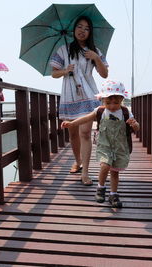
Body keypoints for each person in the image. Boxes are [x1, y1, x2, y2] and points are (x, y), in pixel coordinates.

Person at [61, 80, 140, 208]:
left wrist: (134, 124)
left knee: (115, 172)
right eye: (108, 103)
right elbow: (86, 118)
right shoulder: (100, 111)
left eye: (116, 103)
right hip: (104, 145)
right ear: (102, 100)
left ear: (121, 100)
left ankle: (113, 194)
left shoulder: (125, 112)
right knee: (105, 165)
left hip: (119, 147)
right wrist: (72, 123)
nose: (112, 106)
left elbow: (137, 128)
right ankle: (100, 188)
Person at [50, 16, 109, 186]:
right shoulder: (63, 50)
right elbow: (53, 73)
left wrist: (95, 58)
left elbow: (105, 74)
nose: (82, 30)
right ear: (74, 29)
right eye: (79, 27)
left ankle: (85, 172)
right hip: (70, 97)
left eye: (86, 28)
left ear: (90, 32)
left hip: (89, 96)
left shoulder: (95, 51)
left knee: (85, 133)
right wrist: (65, 70)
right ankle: (78, 161)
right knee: (73, 133)